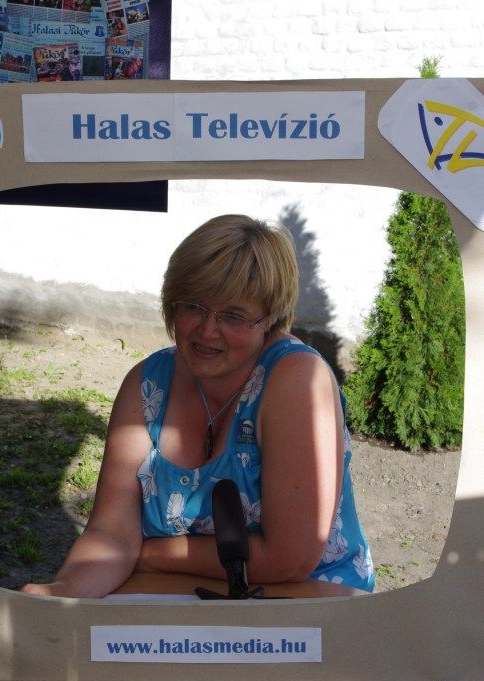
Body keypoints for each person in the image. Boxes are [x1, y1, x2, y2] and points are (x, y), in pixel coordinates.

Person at [22, 214, 374, 601]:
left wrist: (152, 555)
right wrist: (62, 593)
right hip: (182, 595)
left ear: (270, 318)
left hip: (301, 606)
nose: (207, 330)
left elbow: (288, 560)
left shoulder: (297, 379)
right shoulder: (148, 383)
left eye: (233, 316)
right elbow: (110, 533)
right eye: (193, 307)